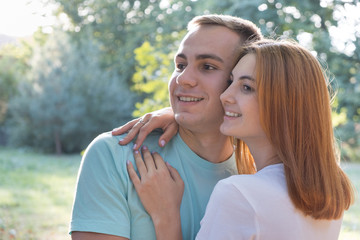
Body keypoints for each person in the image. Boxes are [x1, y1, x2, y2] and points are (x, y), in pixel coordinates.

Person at [125, 39, 355, 240]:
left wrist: (166, 216)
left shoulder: (239, 194)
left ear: (284, 104)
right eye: (230, 82)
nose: (225, 96)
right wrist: (179, 114)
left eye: (246, 87)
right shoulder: (327, 192)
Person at [69, 14, 263, 239]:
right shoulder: (114, 155)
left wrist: (167, 219)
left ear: (241, 82)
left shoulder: (256, 174)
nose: (183, 79)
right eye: (180, 65)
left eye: (207, 66)